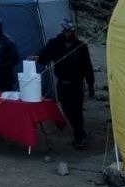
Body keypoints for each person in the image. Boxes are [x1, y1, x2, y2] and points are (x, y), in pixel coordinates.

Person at [37, 18, 95, 149]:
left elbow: (88, 67)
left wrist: (90, 85)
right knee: (66, 109)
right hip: (62, 84)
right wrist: (39, 55)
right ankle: (79, 131)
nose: (68, 33)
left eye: (70, 31)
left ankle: (79, 137)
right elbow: (44, 57)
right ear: (63, 31)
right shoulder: (56, 44)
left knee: (77, 110)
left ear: (73, 31)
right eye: (66, 31)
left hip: (76, 84)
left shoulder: (81, 46)